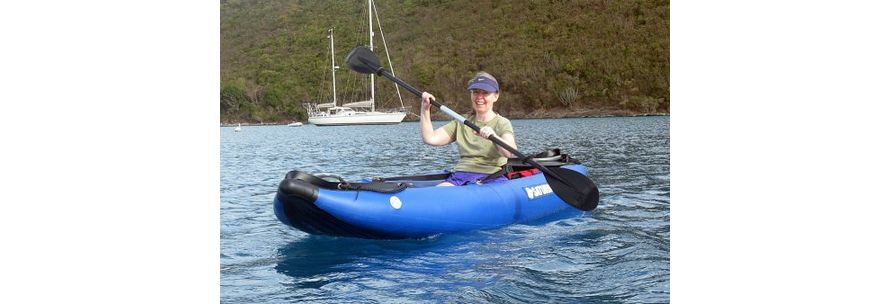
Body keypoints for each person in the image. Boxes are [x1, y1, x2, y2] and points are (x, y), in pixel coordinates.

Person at [420, 71, 517, 186]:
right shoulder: (461, 121)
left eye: (485, 93)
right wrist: (425, 109)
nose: (479, 97)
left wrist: (494, 137)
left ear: (495, 96)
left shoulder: (502, 123)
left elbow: (510, 152)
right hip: (460, 176)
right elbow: (430, 138)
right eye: (475, 92)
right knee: (436, 193)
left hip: (492, 177)